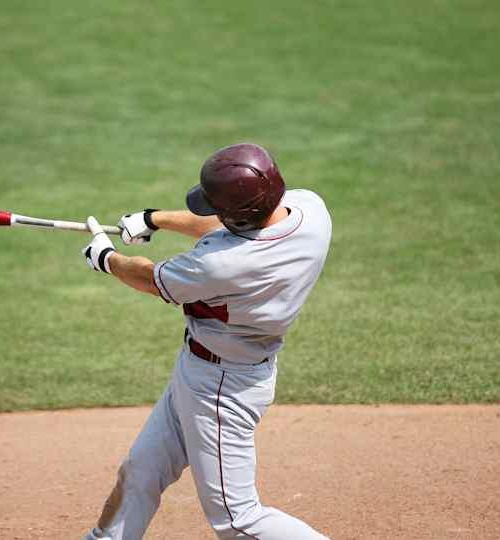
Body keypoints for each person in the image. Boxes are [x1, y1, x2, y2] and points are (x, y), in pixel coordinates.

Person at [81, 143, 332, 540]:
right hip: (209, 370)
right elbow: (231, 224)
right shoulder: (310, 211)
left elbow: (150, 279)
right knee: (142, 469)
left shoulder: (223, 265)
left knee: (238, 520)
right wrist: (154, 220)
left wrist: (105, 257)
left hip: (220, 389)